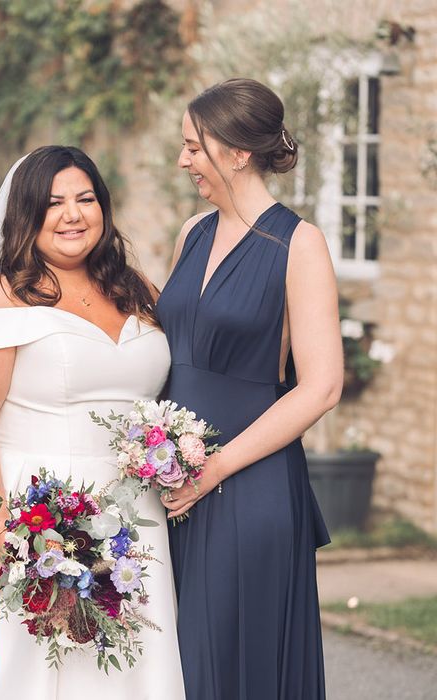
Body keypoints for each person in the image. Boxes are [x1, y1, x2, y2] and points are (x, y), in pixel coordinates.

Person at [0, 146, 185, 699]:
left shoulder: (136, 290)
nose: (73, 214)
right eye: (53, 203)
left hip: (134, 527)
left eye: (85, 199)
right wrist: (4, 538)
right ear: (25, 215)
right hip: (30, 518)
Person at [157, 78, 343, 699]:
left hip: (247, 478)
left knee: (235, 655)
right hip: (167, 479)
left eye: (193, 148)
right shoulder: (192, 233)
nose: (183, 162)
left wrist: (215, 468)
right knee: (172, 658)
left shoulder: (299, 243)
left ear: (238, 153)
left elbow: (321, 387)